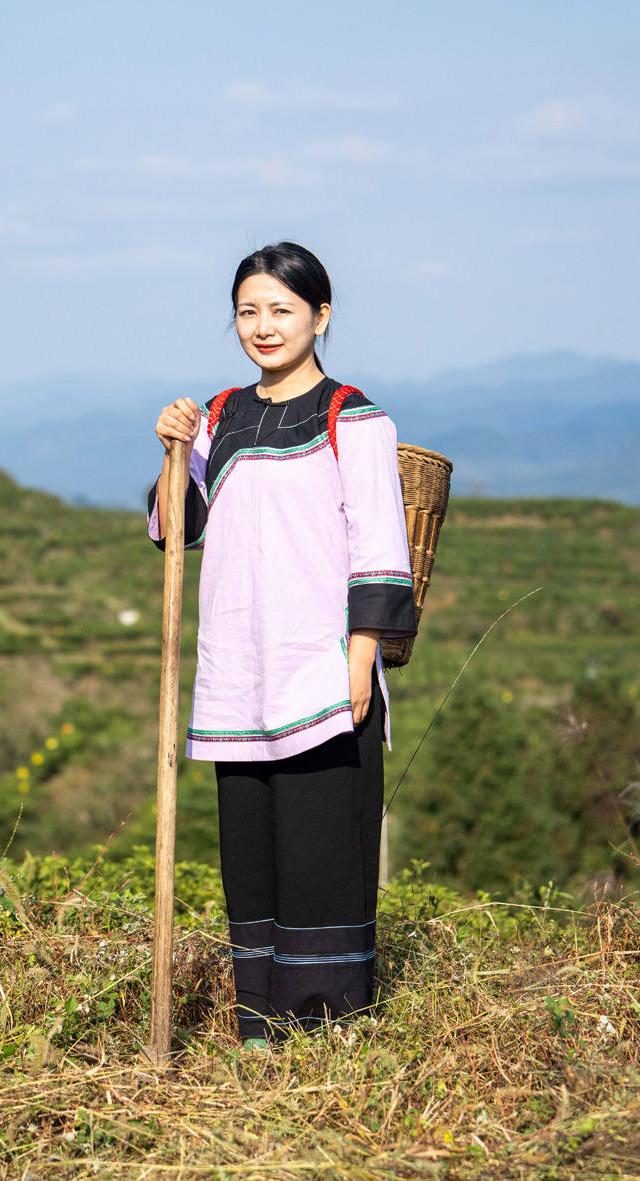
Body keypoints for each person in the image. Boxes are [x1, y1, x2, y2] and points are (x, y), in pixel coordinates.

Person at [146, 241, 417, 1050]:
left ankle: (327, 1029)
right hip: (240, 674)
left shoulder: (355, 418)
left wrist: (361, 660)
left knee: (322, 851)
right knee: (254, 856)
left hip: (323, 671)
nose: (263, 326)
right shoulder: (220, 416)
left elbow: (380, 542)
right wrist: (170, 448)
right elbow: (172, 528)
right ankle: (258, 1026)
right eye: (248, 311)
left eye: (281, 310)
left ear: (320, 317)